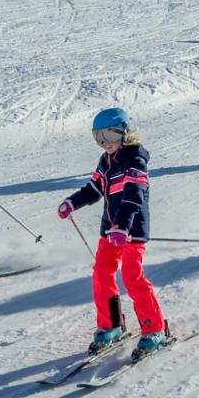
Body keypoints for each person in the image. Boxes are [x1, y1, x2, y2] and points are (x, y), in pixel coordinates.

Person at [58, 107, 172, 355]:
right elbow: (94, 188)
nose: (104, 143)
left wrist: (123, 226)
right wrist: (72, 202)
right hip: (110, 230)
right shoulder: (106, 160)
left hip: (131, 230)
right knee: (101, 273)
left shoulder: (136, 160)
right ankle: (111, 325)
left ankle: (154, 329)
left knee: (132, 277)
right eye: (98, 138)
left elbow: (134, 196)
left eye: (109, 136)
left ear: (125, 132)